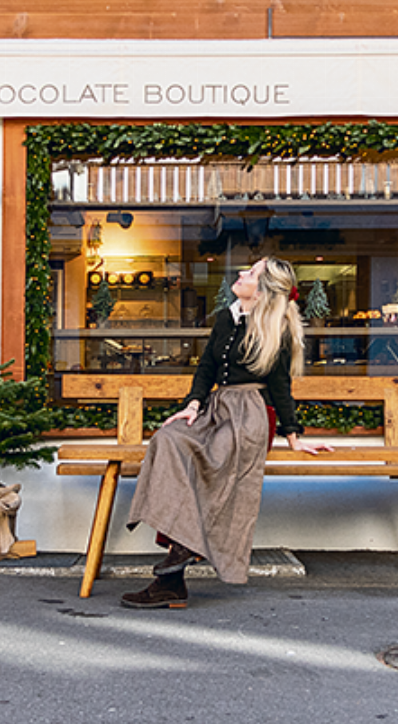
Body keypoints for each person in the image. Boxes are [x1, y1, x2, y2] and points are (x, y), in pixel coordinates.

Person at [121, 257, 333, 609]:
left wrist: (293, 436)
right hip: (217, 410)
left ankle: (171, 579)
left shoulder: (274, 327)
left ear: (263, 290)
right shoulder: (225, 317)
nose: (240, 274)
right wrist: (192, 406)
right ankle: (180, 555)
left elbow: (280, 386)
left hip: (251, 415)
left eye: (250, 273)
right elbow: (205, 368)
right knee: (169, 440)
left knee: (213, 464)